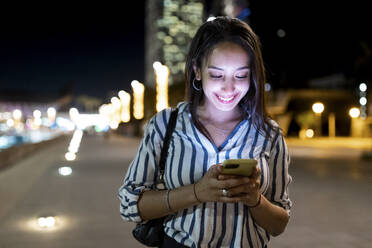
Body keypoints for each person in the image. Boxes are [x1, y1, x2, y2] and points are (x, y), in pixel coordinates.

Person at [118, 16, 292, 248]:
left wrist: (255, 200)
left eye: (241, 75)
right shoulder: (165, 125)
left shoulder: (269, 134)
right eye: (217, 75)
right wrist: (197, 192)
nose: (229, 88)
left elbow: (279, 223)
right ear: (197, 70)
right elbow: (130, 205)